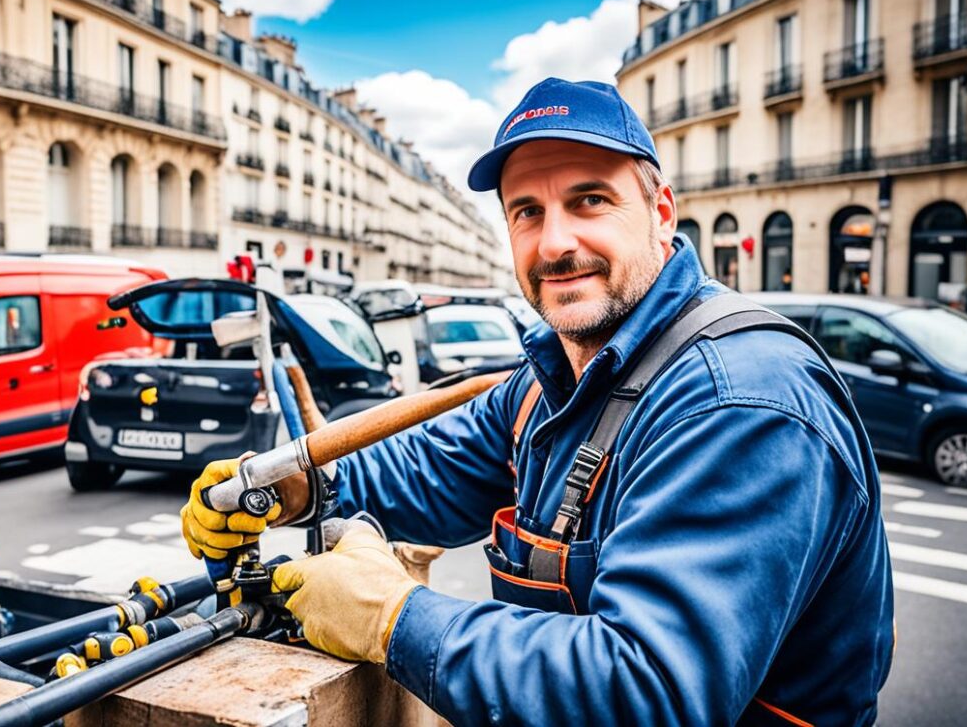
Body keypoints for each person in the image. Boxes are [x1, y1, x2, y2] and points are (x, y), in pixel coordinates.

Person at [182, 78, 893, 725]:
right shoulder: (553, 378)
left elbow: (646, 691)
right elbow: (425, 471)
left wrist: (394, 619)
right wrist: (289, 489)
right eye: (528, 211)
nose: (556, 242)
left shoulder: (737, 401)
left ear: (661, 211)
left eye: (589, 199)